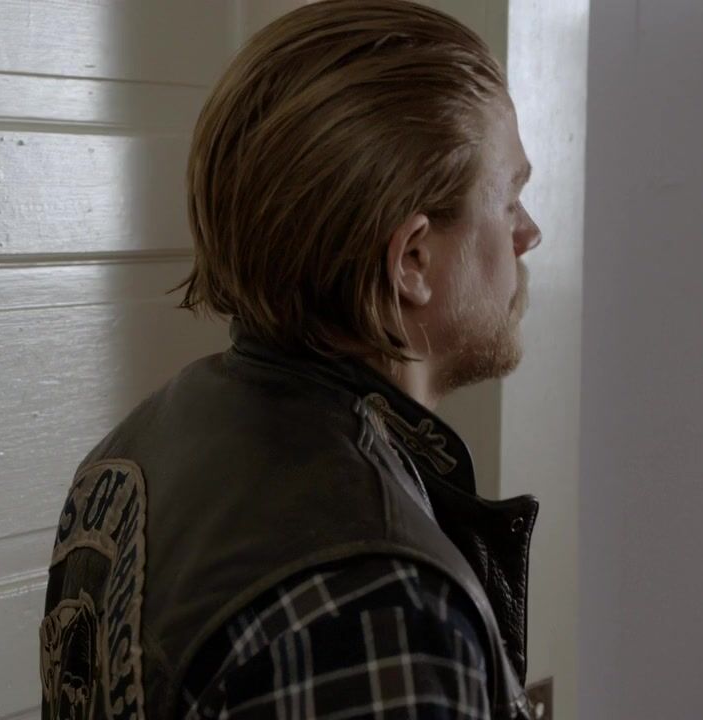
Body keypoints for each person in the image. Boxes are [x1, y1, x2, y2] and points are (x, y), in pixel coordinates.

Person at [39, 1, 544, 717]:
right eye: (510, 199)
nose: (529, 233)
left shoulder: (138, 449)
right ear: (413, 259)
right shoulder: (377, 608)